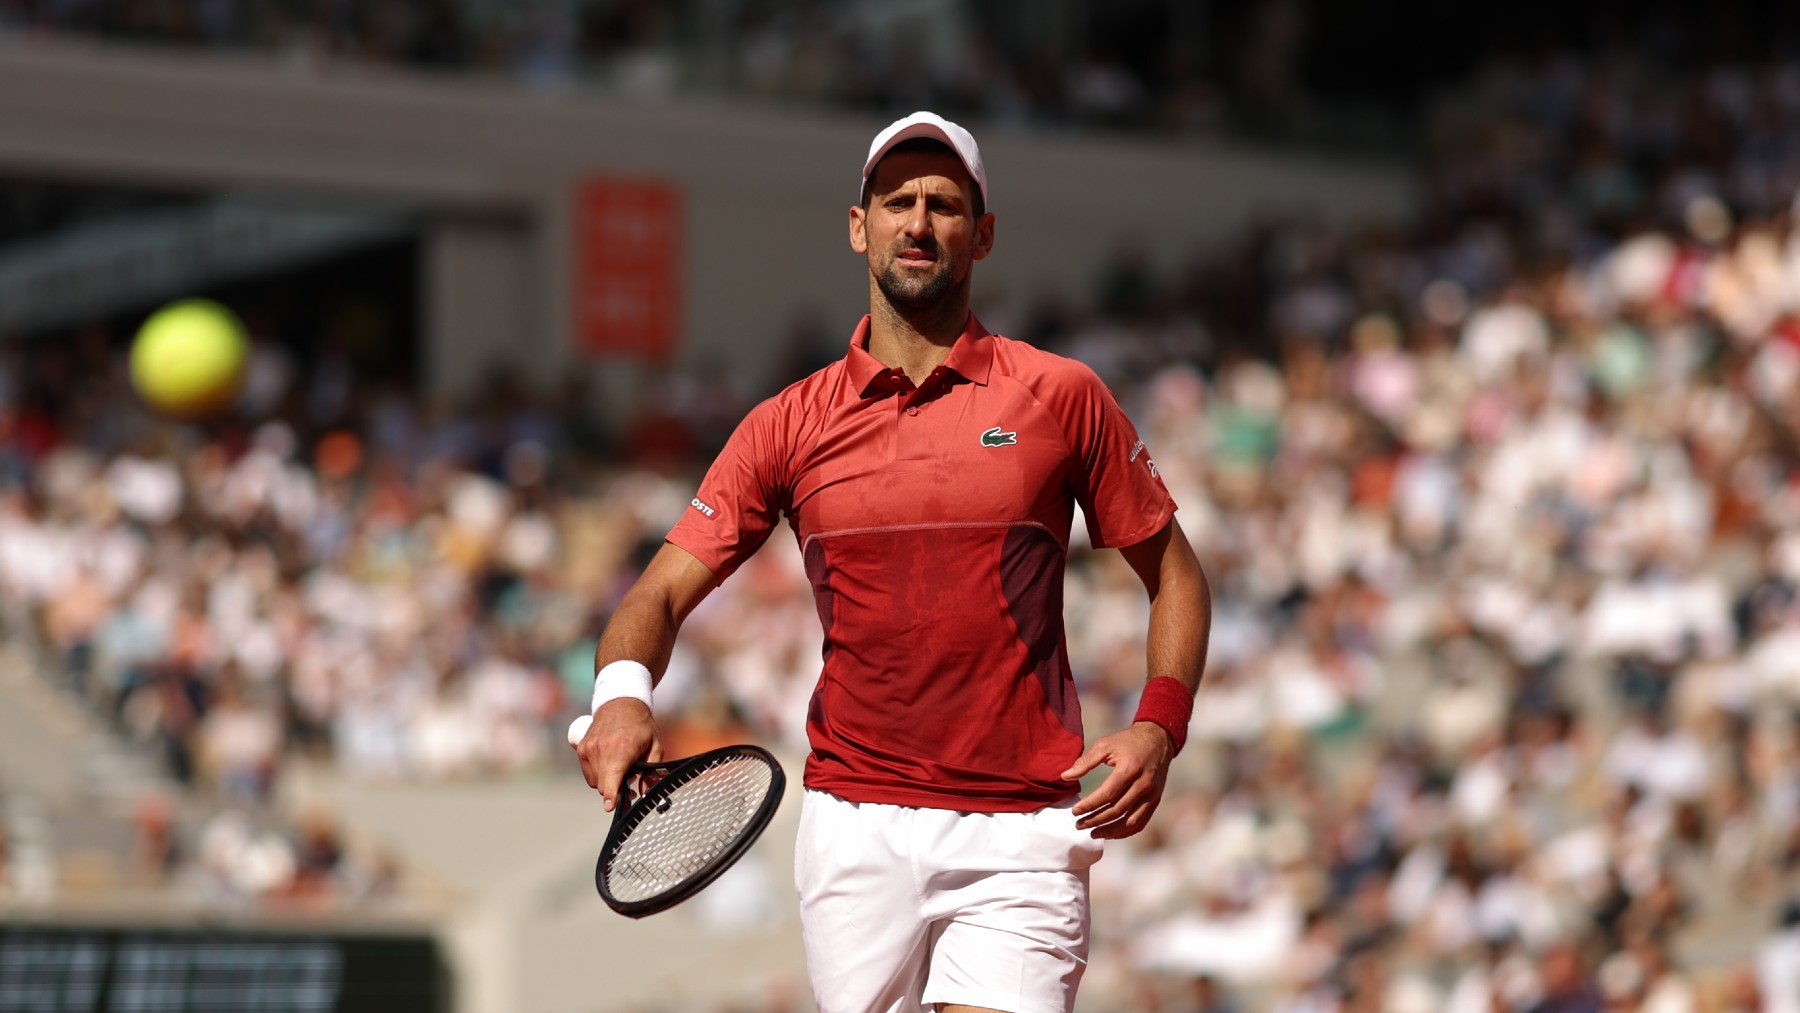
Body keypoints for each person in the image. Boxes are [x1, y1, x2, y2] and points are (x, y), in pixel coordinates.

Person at [571, 110, 1211, 1013]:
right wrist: (621, 696)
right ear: (858, 224)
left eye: (945, 205)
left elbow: (1175, 573)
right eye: (898, 200)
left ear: (982, 235)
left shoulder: (1061, 394)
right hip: (853, 828)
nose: (919, 222)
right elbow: (661, 591)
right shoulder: (784, 423)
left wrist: (1160, 722)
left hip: (1022, 826)